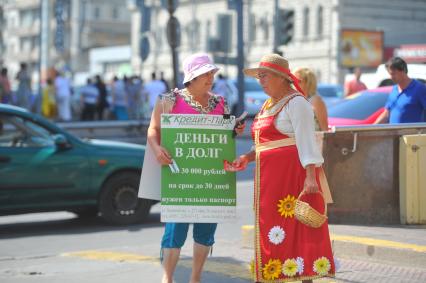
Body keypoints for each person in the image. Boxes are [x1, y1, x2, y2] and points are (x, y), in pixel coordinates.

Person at [229, 54, 334, 282]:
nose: (260, 81)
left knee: (297, 231)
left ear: (280, 77)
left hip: (291, 179)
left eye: (264, 76)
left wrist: (310, 178)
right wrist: (248, 156)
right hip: (270, 183)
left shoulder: (297, 103)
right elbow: (266, 144)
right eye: (259, 76)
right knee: (275, 230)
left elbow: (307, 142)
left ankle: (300, 278)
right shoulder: (269, 104)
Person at [146, 53, 245, 283]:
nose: (210, 77)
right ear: (192, 77)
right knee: (175, 232)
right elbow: (152, 130)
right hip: (180, 177)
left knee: (206, 231)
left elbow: (223, 136)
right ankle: (168, 278)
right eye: (205, 73)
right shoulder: (168, 100)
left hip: (212, 177)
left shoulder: (220, 102)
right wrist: (157, 149)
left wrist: (234, 131)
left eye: (212, 73)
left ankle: (195, 278)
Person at [374, 57, 426, 124]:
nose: (391, 77)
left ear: (403, 71)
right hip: (393, 133)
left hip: (412, 134)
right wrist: (371, 128)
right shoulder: (394, 90)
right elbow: (387, 113)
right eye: (390, 74)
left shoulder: (419, 88)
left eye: (393, 74)